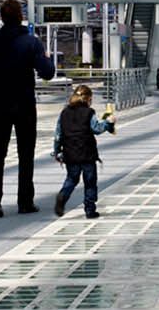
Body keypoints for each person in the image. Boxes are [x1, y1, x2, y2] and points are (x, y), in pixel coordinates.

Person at [0, 0, 55, 217]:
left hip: (0, 103)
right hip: (25, 104)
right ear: (20, 16)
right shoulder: (31, 42)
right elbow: (47, 73)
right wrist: (47, 58)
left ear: (1, 17)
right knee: (25, 153)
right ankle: (25, 201)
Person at [49, 83, 115, 219]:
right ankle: (90, 210)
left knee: (72, 179)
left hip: (70, 154)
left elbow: (58, 135)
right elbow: (96, 128)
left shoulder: (64, 113)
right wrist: (108, 123)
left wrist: (56, 152)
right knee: (90, 182)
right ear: (88, 99)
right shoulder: (89, 112)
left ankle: (63, 195)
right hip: (87, 154)